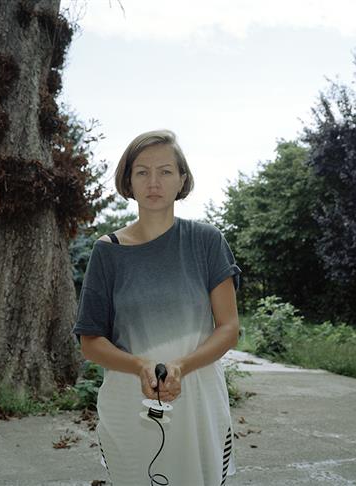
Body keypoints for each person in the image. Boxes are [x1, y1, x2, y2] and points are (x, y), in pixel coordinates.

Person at [72, 129, 242, 485]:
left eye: (165, 171)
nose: (154, 182)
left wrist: (181, 366)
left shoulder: (207, 241)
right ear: (128, 181)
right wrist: (140, 367)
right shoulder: (108, 251)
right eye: (142, 172)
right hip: (129, 401)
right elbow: (91, 342)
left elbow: (228, 328)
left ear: (182, 179)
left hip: (199, 398)